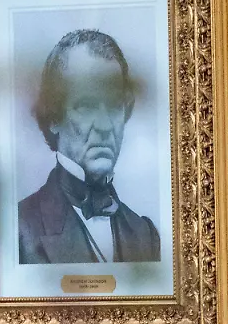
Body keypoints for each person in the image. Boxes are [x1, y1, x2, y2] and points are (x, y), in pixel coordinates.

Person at [18, 29, 160, 264]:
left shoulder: (146, 235)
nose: (105, 125)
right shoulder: (19, 228)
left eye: (114, 105)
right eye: (86, 106)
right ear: (53, 117)